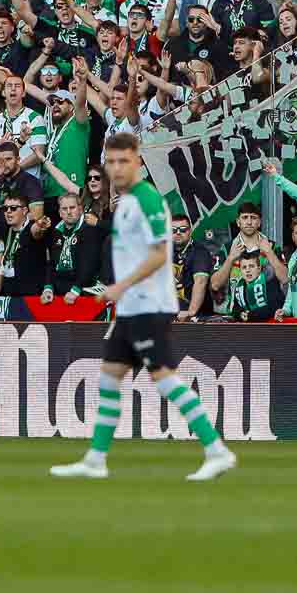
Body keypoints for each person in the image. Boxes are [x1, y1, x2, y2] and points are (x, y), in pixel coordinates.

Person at [50, 132, 236, 482]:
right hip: (132, 306)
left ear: (137, 160)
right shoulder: (125, 201)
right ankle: (96, 458)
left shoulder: (148, 199)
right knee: (110, 376)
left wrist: (120, 286)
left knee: (163, 378)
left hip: (150, 305)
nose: (116, 168)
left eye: (123, 161)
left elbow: (159, 253)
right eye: (111, 161)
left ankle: (216, 449)